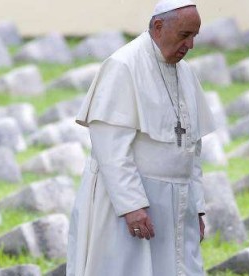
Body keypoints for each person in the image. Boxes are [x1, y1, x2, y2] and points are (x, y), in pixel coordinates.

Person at [66, 0, 215, 275]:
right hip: (130, 205)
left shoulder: (186, 73)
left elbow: (192, 148)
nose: (191, 45)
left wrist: (196, 207)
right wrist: (132, 206)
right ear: (158, 27)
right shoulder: (123, 65)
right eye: (185, 35)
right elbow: (110, 148)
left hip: (177, 202)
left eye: (195, 36)